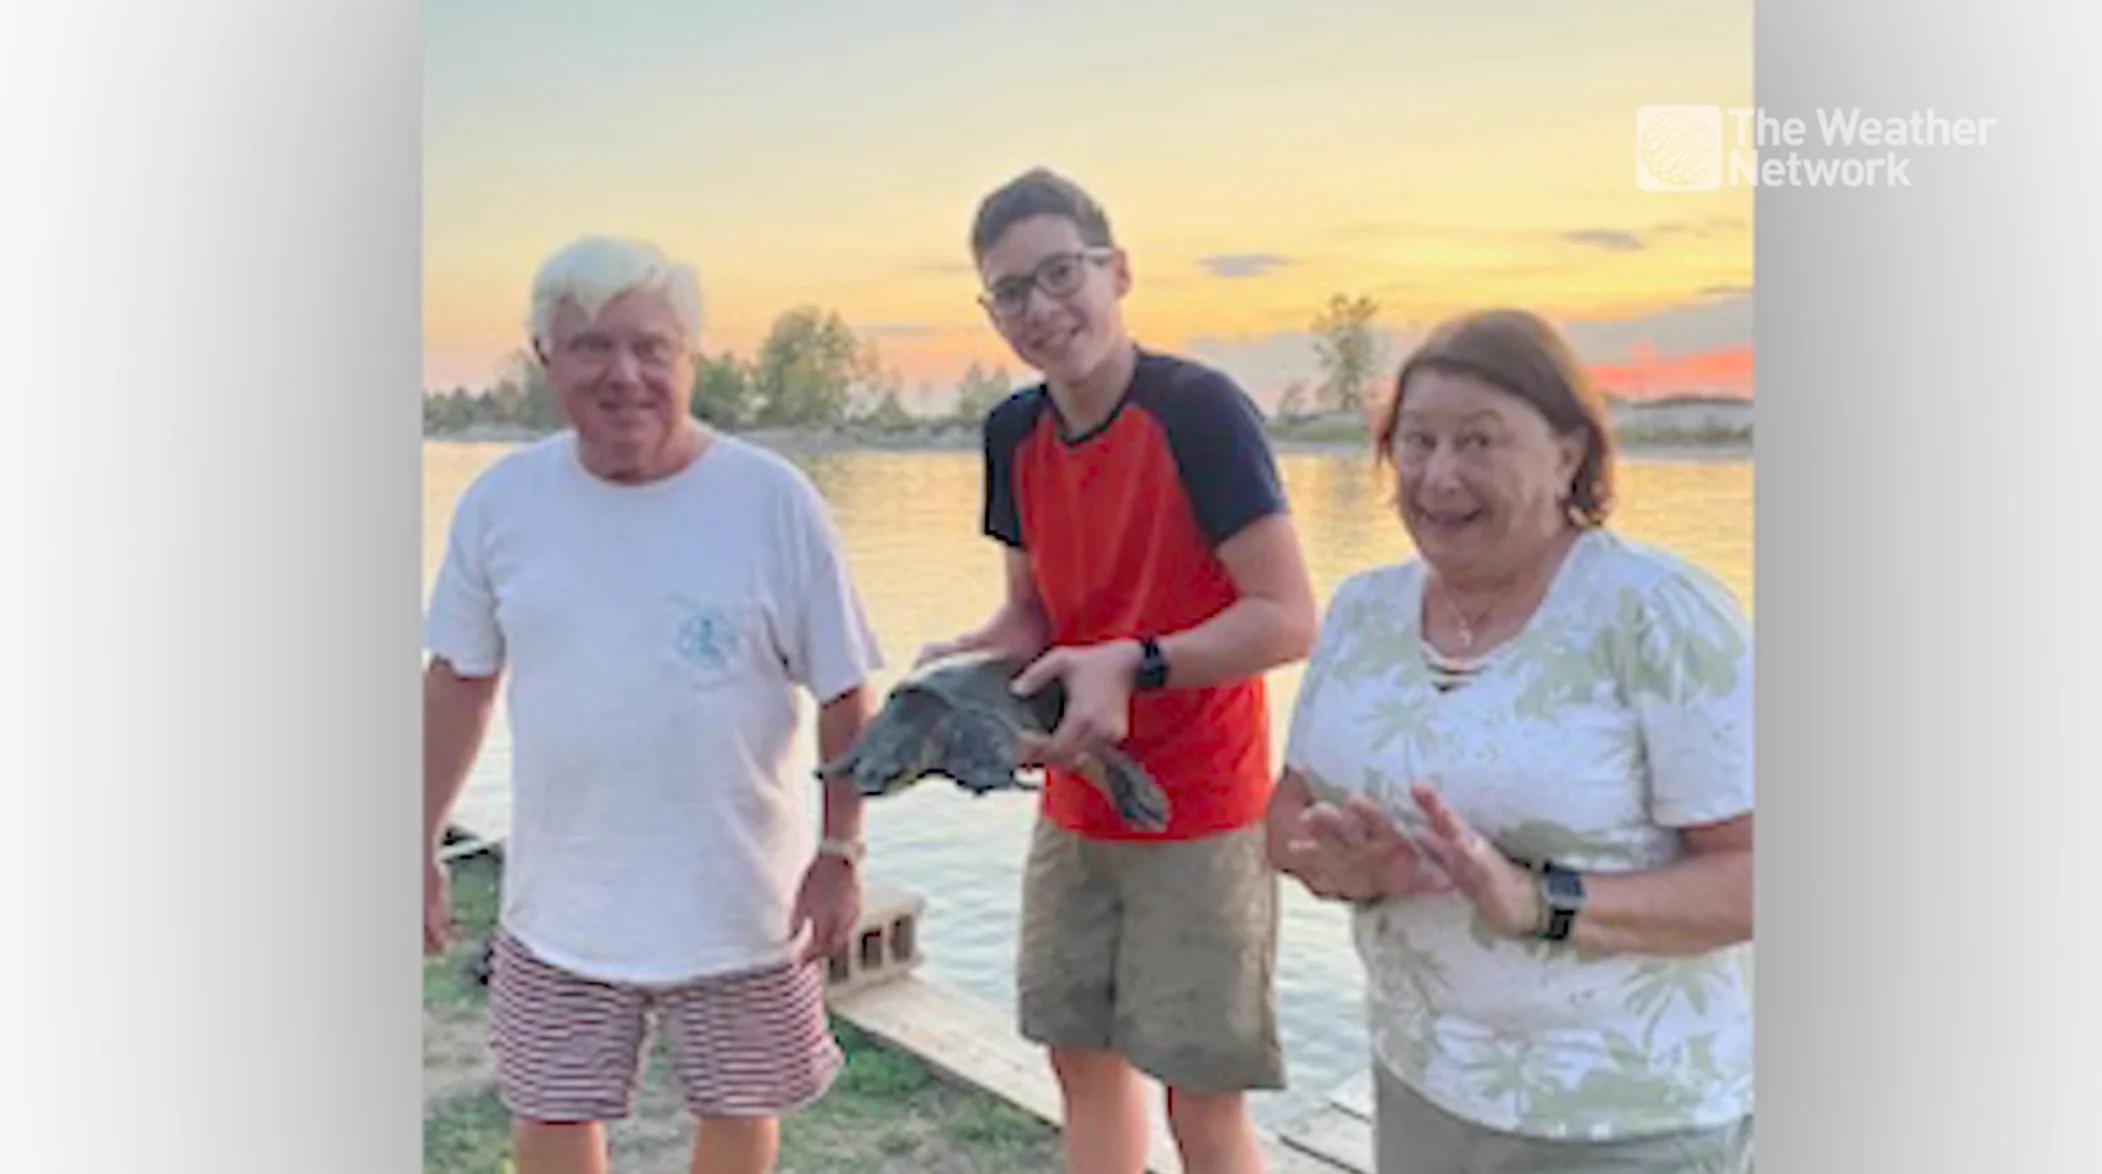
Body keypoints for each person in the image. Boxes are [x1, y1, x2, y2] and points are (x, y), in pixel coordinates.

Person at [421, 236, 884, 1174]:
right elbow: (459, 683)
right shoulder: (501, 503)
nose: (623, 374)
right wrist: (414, 838)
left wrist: (839, 851)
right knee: (548, 1110)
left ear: (690, 357)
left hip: (742, 899)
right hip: (562, 901)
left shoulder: (773, 501)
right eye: (590, 346)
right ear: (545, 360)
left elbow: (844, 693)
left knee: (741, 1105)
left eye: (651, 347)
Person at [1266, 308, 1755, 1173]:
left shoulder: (1658, 614)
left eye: (1479, 442)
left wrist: (1540, 901)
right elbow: (1287, 811)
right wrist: (1340, 865)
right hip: (1423, 1087)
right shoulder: (1361, 612)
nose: (1438, 474)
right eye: (1416, 442)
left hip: (1623, 1119)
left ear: (1568, 452)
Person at [922, 167, 1319, 1174]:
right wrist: (968, 661)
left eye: (1062, 273)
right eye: (1011, 291)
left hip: (1200, 808)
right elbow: (1031, 611)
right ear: (989, 311)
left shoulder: (1198, 411)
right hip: (1073, 801)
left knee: (1200, 1100)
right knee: (1081, 1070)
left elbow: (1286, 617)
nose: (1043, 309)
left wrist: (1133, 663)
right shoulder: (1010, 430)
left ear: (1117, 270)